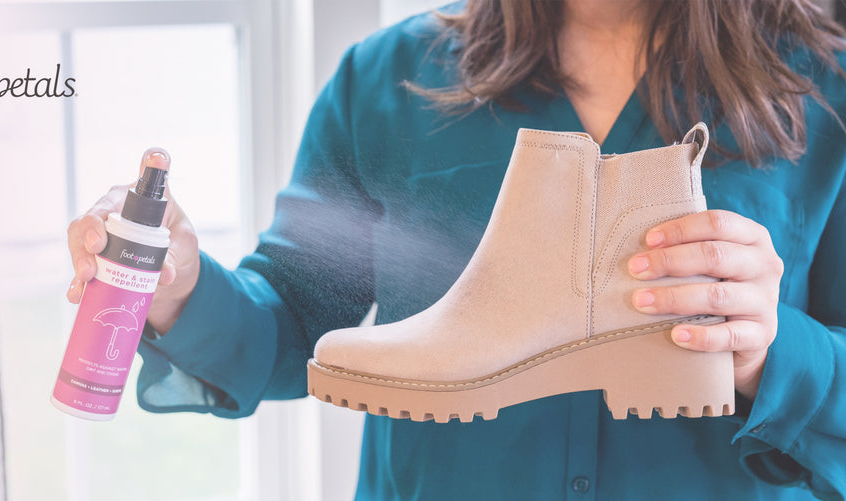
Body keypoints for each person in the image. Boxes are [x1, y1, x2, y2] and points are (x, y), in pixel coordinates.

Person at [66, 0, 846, 499]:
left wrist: (773, 349)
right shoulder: (388, 82)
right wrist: (181, 289)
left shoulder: (829, 89)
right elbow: (297, 325)